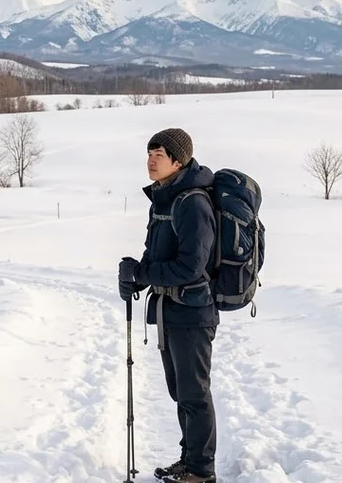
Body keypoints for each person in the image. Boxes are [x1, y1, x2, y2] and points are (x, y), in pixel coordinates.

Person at [119, 128, 219, 483]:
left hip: (193, 312)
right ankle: (189, 461)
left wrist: (144, 271)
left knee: (194, 393)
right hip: (172, 311)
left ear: (179, 160)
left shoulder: (192, 202)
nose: (150, 160)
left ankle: (202, 471)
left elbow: (191, 266)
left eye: (158, 154)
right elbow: (159, 256)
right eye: (149, 153)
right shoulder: (165, 198)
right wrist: (137, 276)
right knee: (182, 392)